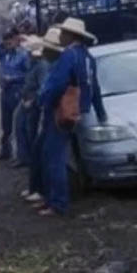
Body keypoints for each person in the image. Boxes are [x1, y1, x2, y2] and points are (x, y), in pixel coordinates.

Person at [37, 18, 106, 217]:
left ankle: (58, 202)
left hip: (62, 111)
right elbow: (95, 87)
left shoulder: (68, 55)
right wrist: (100, 112)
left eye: (63, 32)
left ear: (70, 35)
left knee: (54, 157)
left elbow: (57, 84)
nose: (61, 35)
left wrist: (45, 101)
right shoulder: (88, 57)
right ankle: (66, 195)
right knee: (72, 154)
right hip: (80, 111)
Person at [20, 29, 60, 205]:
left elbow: (43, 89)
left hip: (37, 110)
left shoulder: (41, 66)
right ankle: (35, 188)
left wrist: (33, 102)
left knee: (38, 150)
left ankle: (40, 190)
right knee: (33, 147)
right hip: (33, 107)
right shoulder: (36, 65)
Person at [0, 32, 31, 163]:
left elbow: (29, 75)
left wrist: (13, 78)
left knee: (18, 125)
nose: (8, 44)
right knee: (5, 124)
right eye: (5, 42)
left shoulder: (23, 56)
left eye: (10, 41)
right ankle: (5, 151)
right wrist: (0, 44)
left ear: (17, 40)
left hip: (17, 91)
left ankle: (22, 156)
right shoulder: (4, 54)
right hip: (5, 92)